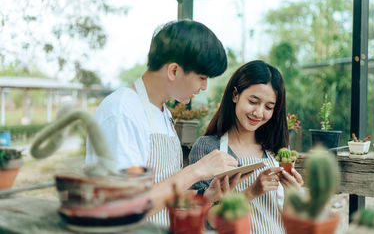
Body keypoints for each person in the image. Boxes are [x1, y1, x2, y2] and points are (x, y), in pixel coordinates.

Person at [86, 20, 244, 226]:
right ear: (174, 71)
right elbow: (123, 205)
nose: (204, 86)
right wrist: (197, 169)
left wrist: (206, 195)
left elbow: (165, 194)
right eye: (202, 77)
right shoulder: (122, 111)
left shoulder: (163, 114)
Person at [189, 60, 304, 234]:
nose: (259, 113)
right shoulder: (207, 147)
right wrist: (251, 192)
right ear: (235, 95)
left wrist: (293, 195)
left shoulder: (276, 151)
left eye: (268, 107)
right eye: (253, 101)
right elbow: (202, 220)